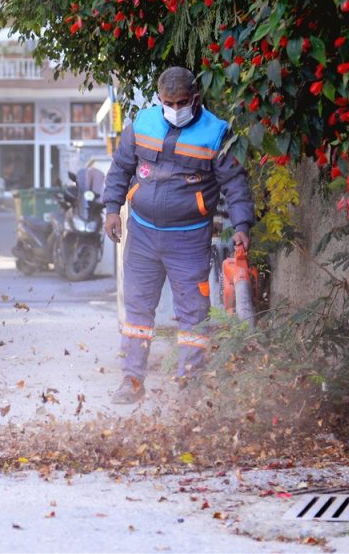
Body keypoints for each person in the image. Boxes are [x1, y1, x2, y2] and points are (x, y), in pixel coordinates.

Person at [102, 66, 255, 404]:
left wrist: (242, 226)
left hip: (188, 239)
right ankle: (131, 381)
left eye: (181, 102)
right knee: (138, 312)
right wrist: (112, 209)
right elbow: (120, 169)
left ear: (195, 99)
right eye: (167, 102)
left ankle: (190, 386)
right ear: (159, 99)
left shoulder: (216, 133)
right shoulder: (142, 124)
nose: (174, 109)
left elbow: (236, 184)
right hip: (142, 234)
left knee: (193, 316)